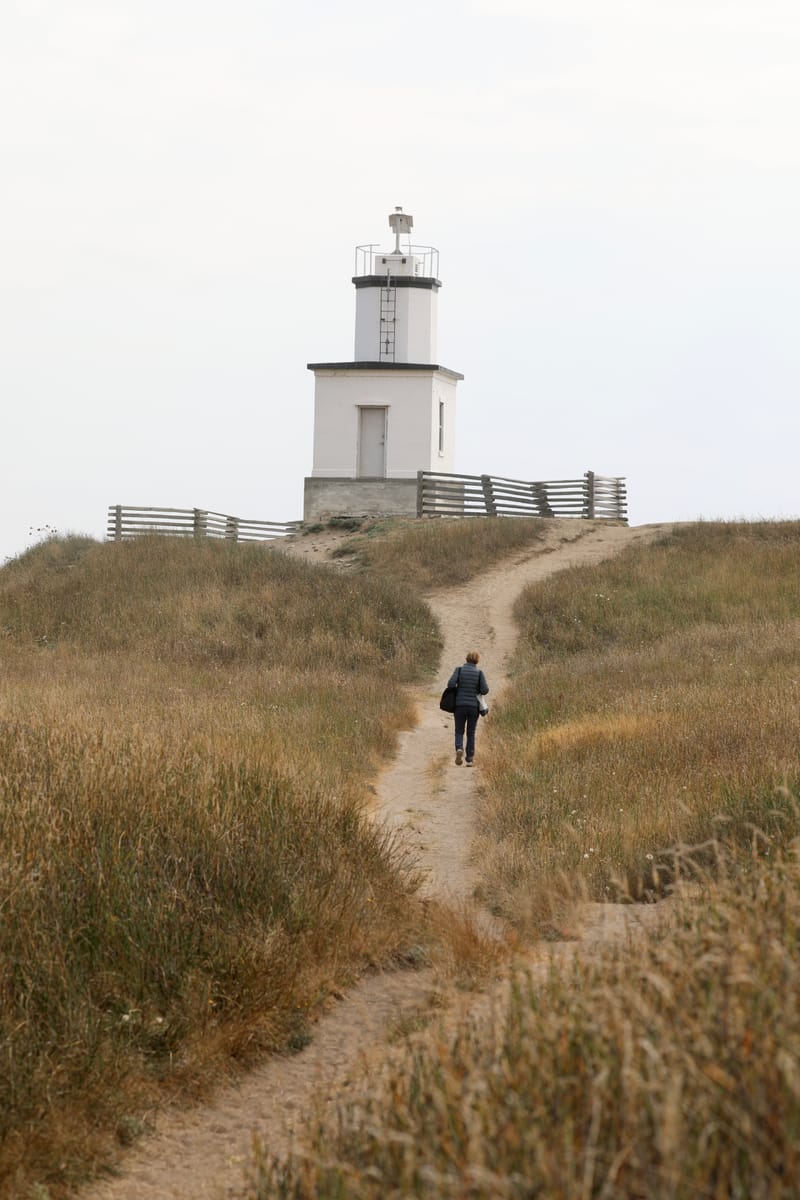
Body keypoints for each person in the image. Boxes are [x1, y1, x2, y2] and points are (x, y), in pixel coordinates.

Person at [447, 651, 489, 767]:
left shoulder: (459, 670)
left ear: (466, 659)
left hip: (460, 705)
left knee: (459, 730)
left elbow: (450, 684)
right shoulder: (479, 673)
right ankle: (469, 759)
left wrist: (459, 686)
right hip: (473, 707)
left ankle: (459, 748)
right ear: (477, 660)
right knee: (471, 732)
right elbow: (485, 690)